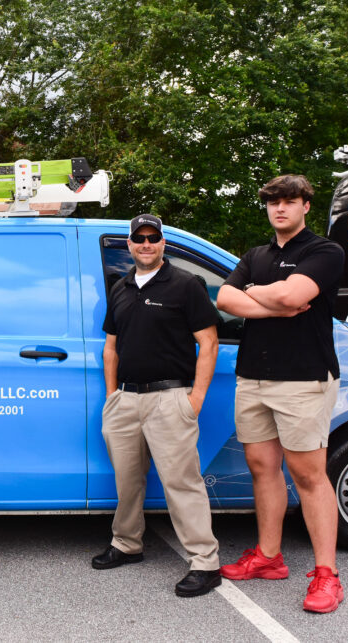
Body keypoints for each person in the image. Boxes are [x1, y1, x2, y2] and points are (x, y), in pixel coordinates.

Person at [216, 175, 345, 614]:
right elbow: (226, 300)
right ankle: (268, 558)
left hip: (303, 377)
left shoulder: (324, 252)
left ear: (307, 205)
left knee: (309, 475)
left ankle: (327, 575)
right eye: (273, 203)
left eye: (290, 201)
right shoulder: (256, 255)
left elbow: (295, 294)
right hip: (253, 375)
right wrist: (272, 300)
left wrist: (262, 294)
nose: (280, 209)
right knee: (261, 468)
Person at [93, 214, 223, 597]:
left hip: (171, 398)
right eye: (139, 238)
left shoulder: (185, 285)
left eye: (153, 238)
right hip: (126, 400)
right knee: (127, 481)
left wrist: (195, 397)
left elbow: (209, 342)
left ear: (162, 242)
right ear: (129, 245)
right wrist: (112, 395)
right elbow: (111, 347)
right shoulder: (121, 286)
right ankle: (127, 543)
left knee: (181, 482)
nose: (146, 244)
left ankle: (205, 563)